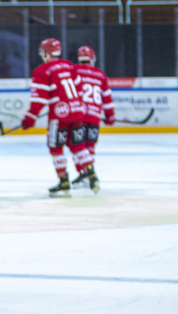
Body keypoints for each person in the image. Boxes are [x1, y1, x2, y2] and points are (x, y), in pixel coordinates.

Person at [21, 38, 91, 197]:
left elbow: (39, 99)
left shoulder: (42, 70)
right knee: (78, 145)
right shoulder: (70, 65)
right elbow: (80, 90)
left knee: (55, 147)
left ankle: (63, 182)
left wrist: (30, 117)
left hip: (58, 117)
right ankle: (92, 174)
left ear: (46, 52)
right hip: (76, 112)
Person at [72, 45, 115, 194]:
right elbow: (107, 99)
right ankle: (89, 172)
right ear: (93, 58)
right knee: (90, 147)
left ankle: (84, 173)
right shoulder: (101, 75)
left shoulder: (74, 70)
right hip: (95, 116)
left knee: (77, 146)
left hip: (79, 115)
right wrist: (110, 116)